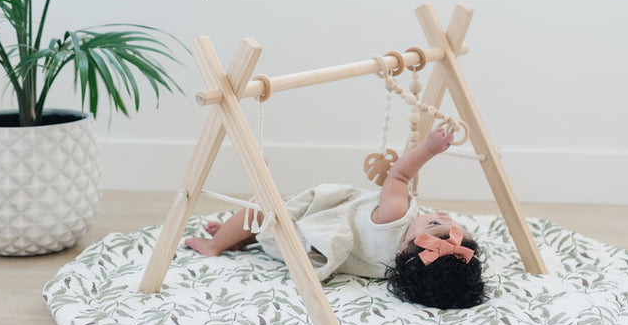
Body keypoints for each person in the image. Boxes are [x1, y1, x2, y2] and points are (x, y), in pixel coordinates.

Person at [186, 126, 485, 309]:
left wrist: (430, 149)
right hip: (308, 248)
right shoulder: (404, 270)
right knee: (268, 231)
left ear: (401, 249)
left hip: (306, 230)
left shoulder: (395, 215)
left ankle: (216, 244)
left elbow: (401, 174)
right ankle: (244, 240)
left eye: (435, 224)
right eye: (456, 226)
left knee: (264, 209)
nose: (444, 216)